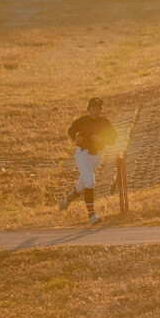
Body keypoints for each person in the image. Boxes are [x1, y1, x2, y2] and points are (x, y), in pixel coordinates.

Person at [58, 96, 117, 226]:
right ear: (88, 109)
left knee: (81, 187)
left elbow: (114, 138)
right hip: (82, 154)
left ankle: (68, 199)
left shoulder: (104, 122)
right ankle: (91, 215)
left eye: (98, 109)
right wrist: (75, 139)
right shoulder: (83, 121)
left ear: (101, 110)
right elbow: (71, 130)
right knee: (90, 181)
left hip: (96, 156)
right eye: (93, 108)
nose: (95, 111)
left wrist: (102, 140)